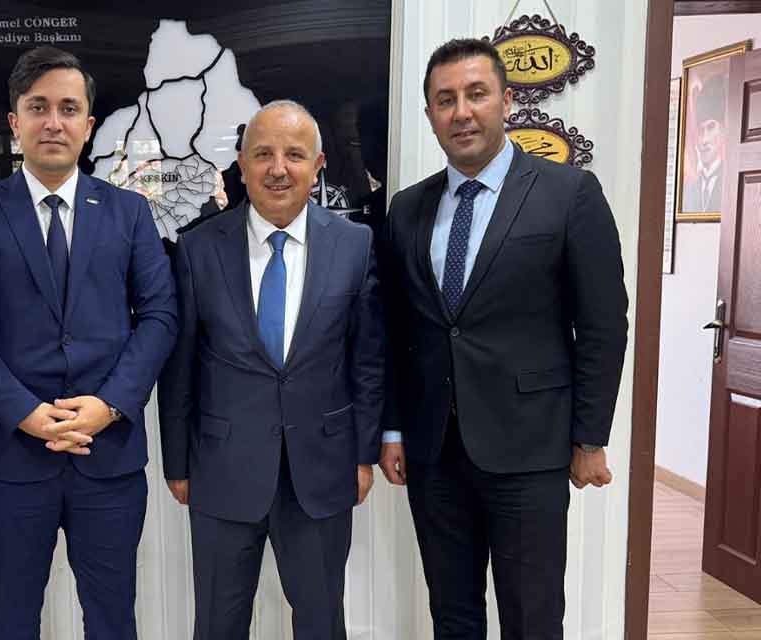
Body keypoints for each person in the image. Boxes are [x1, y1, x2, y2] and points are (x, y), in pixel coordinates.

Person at [378, 38, 628, 639]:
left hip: (531, 450)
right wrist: (392, 428)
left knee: (532, 619)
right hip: (435, 451)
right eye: (445, 100)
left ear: (507, 101)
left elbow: (603, 324)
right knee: (452, 616)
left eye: (476, 94)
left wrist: (589, 438)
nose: (461, 112)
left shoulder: (569, 194)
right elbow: (394, 329)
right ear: (431, 114)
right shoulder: (406, 209)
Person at [0, 46, 177, 639]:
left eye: (68, 109)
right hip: (13, 457)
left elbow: (160, 316)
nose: (53, 122)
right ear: (14, 122)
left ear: (88, 125)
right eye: (38, 107)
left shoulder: (129, 213)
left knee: (113, 619)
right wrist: (25, 413)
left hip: (108, 454)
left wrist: (109, 405)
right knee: (14, 618)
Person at [159, 100, 385, 640]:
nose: (277, 169)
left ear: (318, 165)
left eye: (294, 155)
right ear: (241, 165)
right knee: (218, 623)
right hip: (221, 469)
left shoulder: (355, 245)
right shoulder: (197, 248)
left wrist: (363, 454)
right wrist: (176, 462)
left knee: (322, 622)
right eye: (262, 154)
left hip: (322, 469)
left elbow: (367, 361)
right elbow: (180, 366)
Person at [684, 73, 726, 212]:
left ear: (723, 131)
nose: (704, 140)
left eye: (711, 127)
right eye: (701, 130)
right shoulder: (688, 189)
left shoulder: (730, 183)